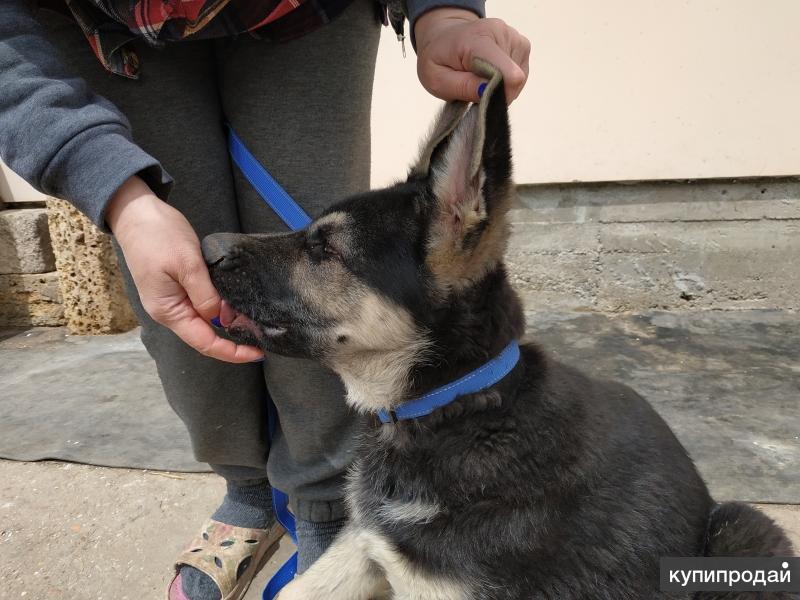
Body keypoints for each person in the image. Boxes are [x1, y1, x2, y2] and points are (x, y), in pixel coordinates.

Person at [0, 1, 530, 598]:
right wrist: (124, 198)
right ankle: (246, 494)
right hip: (108, 27)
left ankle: (328, 505)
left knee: (327, 294)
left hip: (303, 16)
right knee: (187, 280)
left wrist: (444, 12)